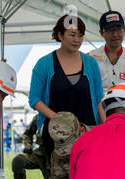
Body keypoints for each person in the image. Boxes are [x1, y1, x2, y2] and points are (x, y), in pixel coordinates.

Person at [28, 14, 104, 161]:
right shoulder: (44, 64)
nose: (77, 40)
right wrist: (59, 119)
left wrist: (106, 127)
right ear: (60, 35)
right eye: (72, 35)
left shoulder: (91, 63)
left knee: (85, 178)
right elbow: (35, 99)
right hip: (56, 136)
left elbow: (98, 99)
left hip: (86, 134)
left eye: (81, 36)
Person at [11, 114, 50, 179]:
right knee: (18, 161)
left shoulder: (63, 116)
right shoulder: (39, 117)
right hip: (40, 153)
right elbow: (27, 133)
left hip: (56, 157)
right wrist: (28, 145)